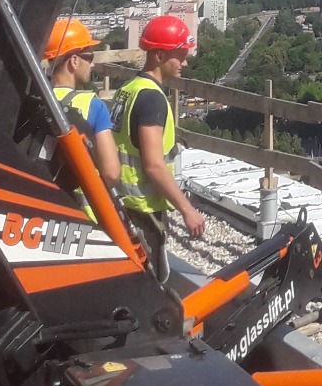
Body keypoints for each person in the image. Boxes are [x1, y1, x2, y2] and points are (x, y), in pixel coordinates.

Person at [114, 15, 207, 284]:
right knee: (150, 288)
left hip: (122, 203)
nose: (185, 63)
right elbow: (153, 164)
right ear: (158, 55)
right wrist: (187, 209)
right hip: (142, 210)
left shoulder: (129, 89)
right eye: (179, 56)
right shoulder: (152, 98)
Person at [44, 18, 120, 188]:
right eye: (89, 57)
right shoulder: (93, 105)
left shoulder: (35, 98)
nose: (92, 64)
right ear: (74, 61)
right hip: (80, 206)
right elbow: (111, 172)